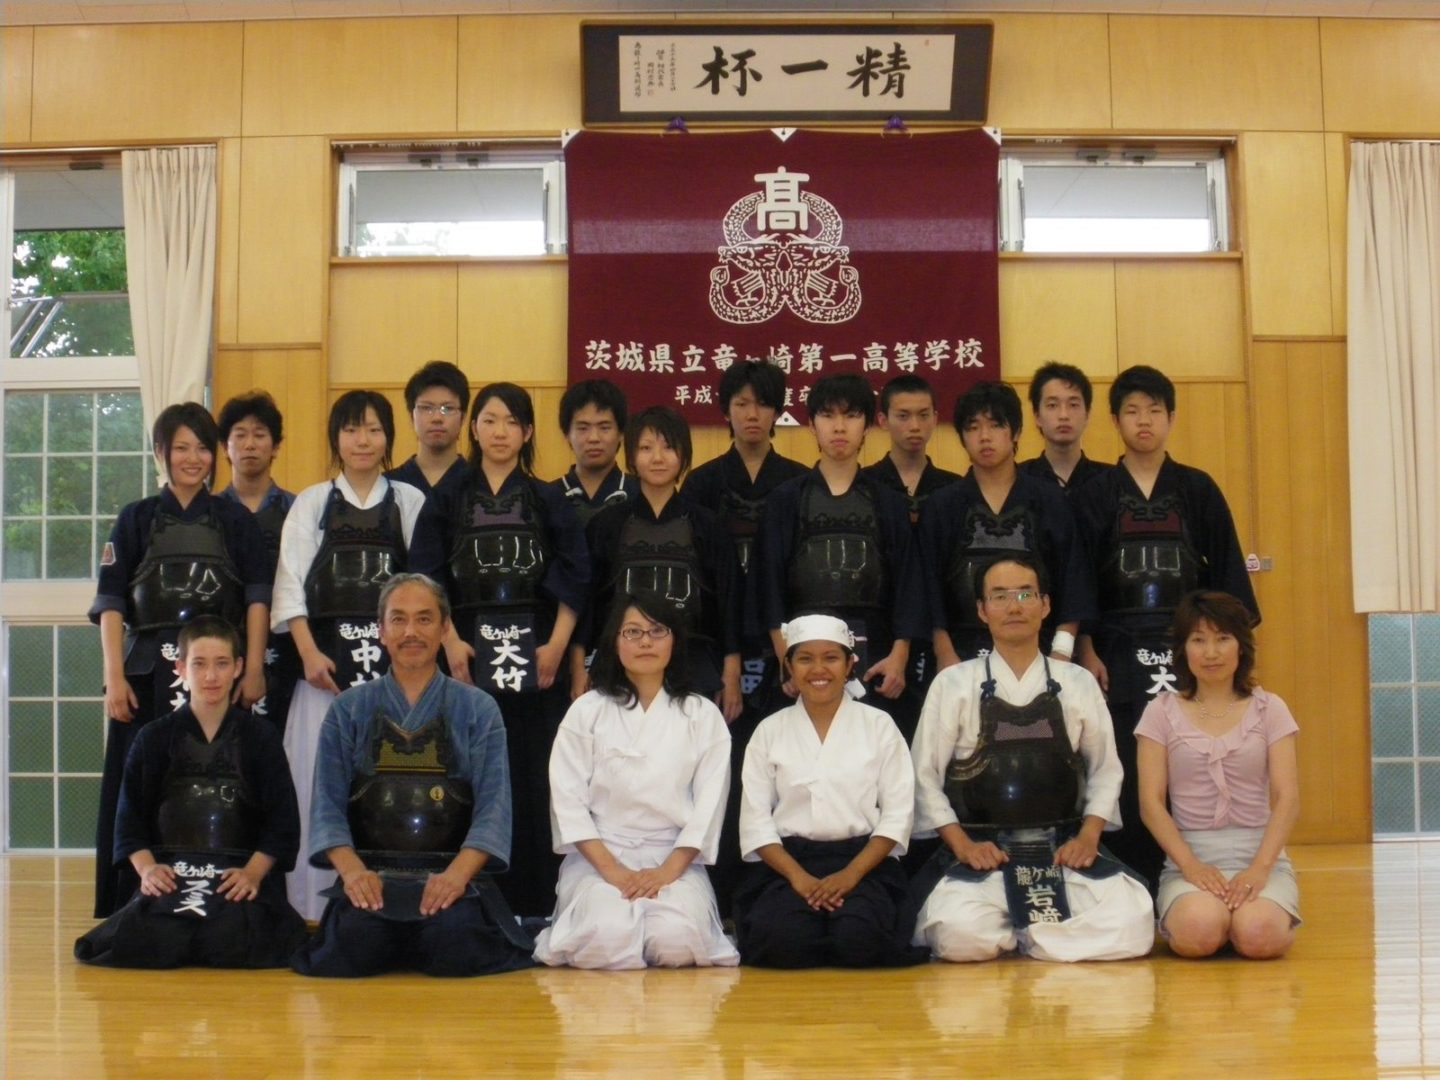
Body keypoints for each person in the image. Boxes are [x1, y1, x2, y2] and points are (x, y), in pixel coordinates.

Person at [909, 554, 1154, 963]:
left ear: (1045, 605)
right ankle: (1049, 935)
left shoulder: (1077, 682)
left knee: (1134, 920)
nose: (1014, 606)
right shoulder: (953, 684)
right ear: (982, 611)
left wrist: (1088, 837)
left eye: (1026, 594)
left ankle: (1025, 934)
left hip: (1062, 846)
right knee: (960, 937)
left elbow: (1107, 770)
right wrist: (964, 846)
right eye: (1000, 596)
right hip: (983, 851)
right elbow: (923, 777)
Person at [292, 574, 534, 977]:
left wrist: (456, 877)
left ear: (444, 628)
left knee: (452, 941)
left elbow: (494, 808)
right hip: (372, 873)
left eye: (424, 619)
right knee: (356, 942)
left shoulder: (478, 708)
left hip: (451, 876)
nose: (411, 632)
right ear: (381, 631)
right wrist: (353, 873)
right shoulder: (348, 708)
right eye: (398, 620)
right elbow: (326, 806)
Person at [1074, 365, 1259, 892]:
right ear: (1115, 421)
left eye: (1155, 410)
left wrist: (1227, 658)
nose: (1144, 421)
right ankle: (1131, 884)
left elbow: (1226, 580)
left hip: (1189, 650)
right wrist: (1087, 648)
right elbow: (1081, 577)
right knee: (1127, 766)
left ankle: (1199, 877)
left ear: (1171, 418)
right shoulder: (1094, 494)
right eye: (1132, 411)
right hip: (1116, 648)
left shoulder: (1198, 489)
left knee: (1193, 762)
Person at [271, 390, 449, 921]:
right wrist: (307, 653)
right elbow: (289, 586)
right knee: (316, 781)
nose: (363, 440)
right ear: (336, 440)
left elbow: (428, 590)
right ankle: (310, 906)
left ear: (389, 439)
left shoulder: (411, 502)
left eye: (373, 429)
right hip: (324, 676)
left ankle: (387, 897)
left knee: (389, 783)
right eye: (351, 430)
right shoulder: (311, 503)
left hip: (398, 684)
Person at [89, 402, 271, 918]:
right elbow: (112, 603)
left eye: (202, 448)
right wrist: (114, 676)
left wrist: (253, 666)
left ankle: (222, 890)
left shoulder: (236, 519)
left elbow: (258, 598)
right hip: (148, 672)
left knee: (219, 779)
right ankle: (130, 896)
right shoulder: (135, 519)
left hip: (217, 671)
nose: (193, 459)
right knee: (138, 779)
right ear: (160, 454)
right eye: (181, 448)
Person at [75, 617, 307, 968]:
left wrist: (253, 874)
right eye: (199, 664)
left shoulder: (261, 738)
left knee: (232, 936)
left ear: (239, 667)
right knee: (151, 937)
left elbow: (282, 822)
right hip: (173, 873)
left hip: (237, 874)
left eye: (222, 663)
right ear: (181, 668)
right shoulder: (152, 738)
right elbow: (128, 819)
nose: (211, 676)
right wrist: (149, 870)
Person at [445, 381, 590, 917]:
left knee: (534, 774)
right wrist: (451, 642)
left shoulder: (549, 498)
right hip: (467, 662)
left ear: (527, 432)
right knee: (474, 772)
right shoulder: (451, 497)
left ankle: (537, 898)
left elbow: (576, 573)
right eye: (488, 419)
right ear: (474, 429)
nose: (499, 431)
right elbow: (427, 573)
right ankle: (474, 895)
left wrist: (556, 644)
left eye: (511, 421)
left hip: (538, 661)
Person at [534, 593, 738, 970]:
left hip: (674, 855)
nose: (645, 641)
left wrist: (666, 872)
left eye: (657, 631)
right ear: (615, 642)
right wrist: (614, 872)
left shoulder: (702, 714)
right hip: (599, 856)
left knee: (676, 943)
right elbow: (567, 799)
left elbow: (709, 807)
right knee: (606, 937)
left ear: (675, 641)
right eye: (633, 632)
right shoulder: (586, 711)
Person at [681, 359, 807, 913]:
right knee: (724, 770)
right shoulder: (704, 483)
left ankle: (781, 886)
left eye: (761, 403)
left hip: (785, 645)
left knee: (785, 768)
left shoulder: (798, 482)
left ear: (778, 410)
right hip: (722, 642)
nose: (751, 414)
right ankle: (724, 894)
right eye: (740, 404)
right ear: (725, 412)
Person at [734, 614, 923, 969]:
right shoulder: (768, 730)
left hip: (864, 862)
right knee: (784, 941)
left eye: (831, 658)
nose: (818, 669)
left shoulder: (879, 726)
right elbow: (756, 823)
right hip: (789, 864)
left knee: (860, 937)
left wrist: (850, 875)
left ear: (850, 664)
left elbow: (898, 816)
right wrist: (800, 879)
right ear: (787, 664)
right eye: (805, 658)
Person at [750, 374, 927, 740]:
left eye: (851, 415)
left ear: (867, 426)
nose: (839, 427)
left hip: (877, 658)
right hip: (801, 652)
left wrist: (899, 657)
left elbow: (909, 584)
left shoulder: (889, 503)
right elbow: (767, 585)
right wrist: (788, 662)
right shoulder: (785, 501)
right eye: (828, 416)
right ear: (812, 425)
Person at [1137, 590, 1300, 959]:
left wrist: (1260, 869)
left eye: (1223, 639)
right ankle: (1219, 919)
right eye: (1199, 640)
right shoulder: (1159, 711)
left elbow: (1288, 798)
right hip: (1189, 859)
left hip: (1261, 856)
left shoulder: (1270, 708)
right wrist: (1191, 866)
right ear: (1183, 650)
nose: (1211, 653)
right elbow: (1150, 803)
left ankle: (1247, 920)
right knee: (1198, 933)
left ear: (1241, 646)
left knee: (1260, 937)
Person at [577, 406, 743, 722]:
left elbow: (729, 602)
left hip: (694, 663)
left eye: (668, 447)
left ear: (683, 456)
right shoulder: (607, 524)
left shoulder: (707, 525)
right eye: (646, 447)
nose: (657, 457)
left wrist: (731, 673)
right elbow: (588, 602)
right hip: (620, 664)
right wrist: (578, 665)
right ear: (631, 457)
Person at [921, 381, 1092, 669]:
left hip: (1041, 649)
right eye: (973, 427)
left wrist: (1062, 652)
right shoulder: (943, 505)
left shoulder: (1049, 500)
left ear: (1016, 431)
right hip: (961, 651)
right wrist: (944, 652)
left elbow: (1072, 576)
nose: (984, 437)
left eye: (996, 425)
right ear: (962, 437)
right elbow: (928, 585)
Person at [217, 390, 299, 733]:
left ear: (276, 446)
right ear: (225, 447)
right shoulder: (212, 513)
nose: (250, 444)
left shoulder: (299, 511)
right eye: (240, 435)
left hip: (285, 647)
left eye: (260, 435)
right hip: (223, 647)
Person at [861, 373, 962, 526]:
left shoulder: (954, 487)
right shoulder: (865, 484)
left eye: (923, 415)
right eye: (903, 416)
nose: (915, 426)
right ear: (883, 421)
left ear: (934, 419)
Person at [553, 378, 637, 529]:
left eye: (604, 427)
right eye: (583, 428)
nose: (593, 438)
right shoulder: (548, 497)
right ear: (567, 434)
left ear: (621, 433)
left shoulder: (640, 492)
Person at [1019, 362, 1113, 494]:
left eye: (1073, 405)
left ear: (1087, 414)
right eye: (1052, 405)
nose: (1064, 415)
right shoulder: (1018, 480)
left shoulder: (1110, 480)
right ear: (1037, 416)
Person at [387, 360, 472, 504]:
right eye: (426, 408)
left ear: (463, 418)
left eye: (448, 409)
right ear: (411, 416)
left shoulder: (478, 483)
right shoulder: (388, 485)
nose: (437, 418)